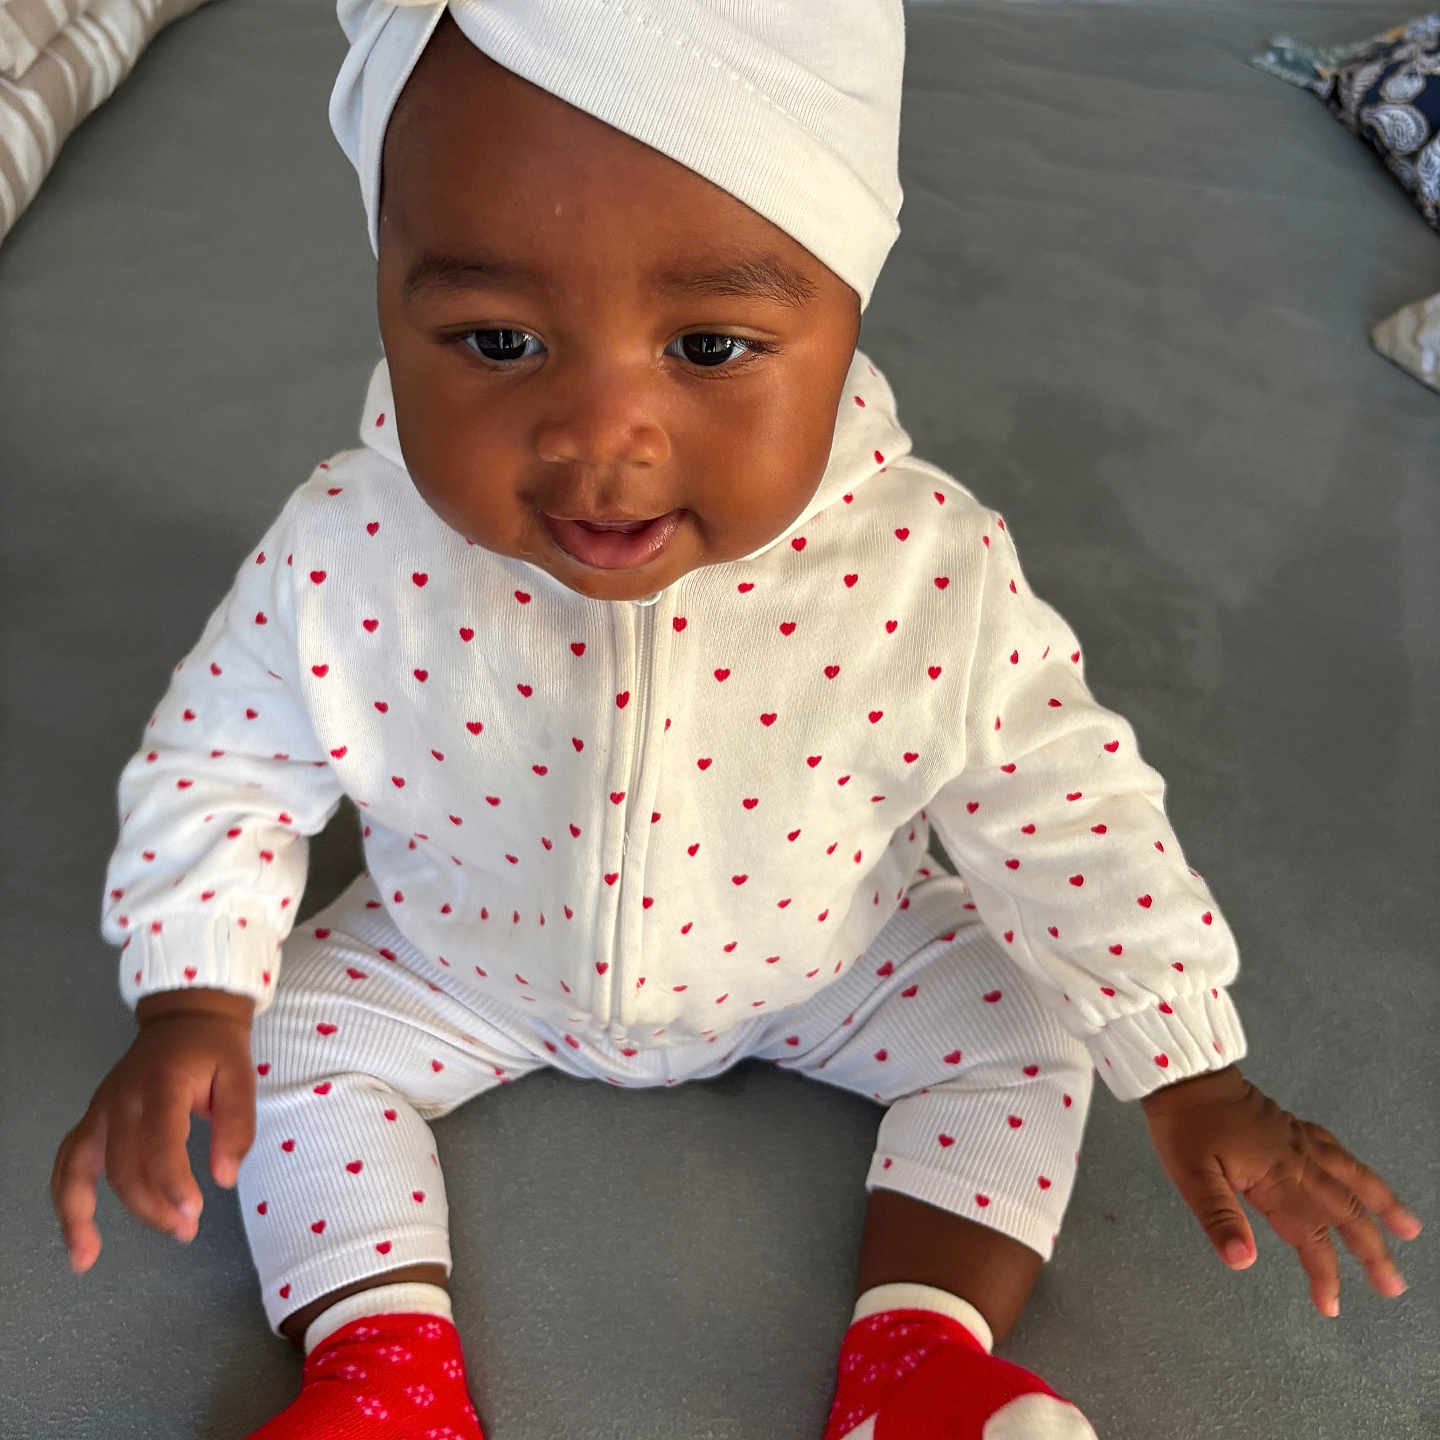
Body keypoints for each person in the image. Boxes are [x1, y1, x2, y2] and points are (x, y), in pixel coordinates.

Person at [50, 2, 1423, 1436]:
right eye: (495, 337)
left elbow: (1061, 804)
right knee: (278, 1048)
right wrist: (193, 987)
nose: (600, 434)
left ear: (846, 312)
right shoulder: (346, 552)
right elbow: (223, 762)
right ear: (387, 290)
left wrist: (1189, 1065)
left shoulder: (924, 570)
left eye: (708, 345)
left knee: (1027, 1027)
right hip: (454, 954)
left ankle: (923, 1367)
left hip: (830, 952)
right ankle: (380, 1378)